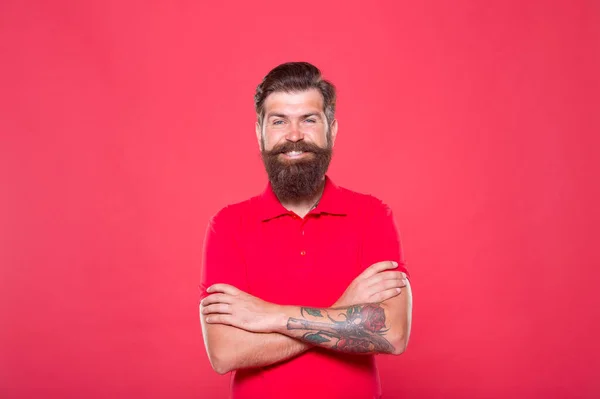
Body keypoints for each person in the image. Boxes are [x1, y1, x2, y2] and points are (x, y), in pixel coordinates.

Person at [199, 62, 413, 399]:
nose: (294, 135)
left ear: (333, 129)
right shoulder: (227, 226)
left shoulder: (373, 216)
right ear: (259, 132)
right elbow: (225, 353)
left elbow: (392, 334)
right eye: (279, 121)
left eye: (309, 120)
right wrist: (344, 309)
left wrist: (266, 315)